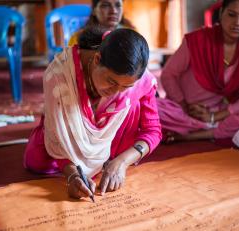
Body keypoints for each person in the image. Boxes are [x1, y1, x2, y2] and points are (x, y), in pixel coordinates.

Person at [24, 27, 161, 200]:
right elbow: (58, 141)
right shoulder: (61, 76)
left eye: (126, 87)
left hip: (115, 146)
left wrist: (121, 162)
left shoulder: (140, 79)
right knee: (38, 160)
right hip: (65, 139)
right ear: (97, 59)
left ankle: (106, 159)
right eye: (111, 81)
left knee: (132, 105)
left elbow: (153, 130)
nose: (116, 92)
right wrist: (73, 175)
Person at [157, 0, 239, 143]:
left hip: (215, 113)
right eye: (231, 15)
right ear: (221, 13)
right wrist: (184, 106)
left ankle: (192, 135)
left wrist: (213, 116)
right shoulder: (197, 40)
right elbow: (169, 75)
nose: (237, 22)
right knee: (151, 109)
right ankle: (206, 129)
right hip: (180, 110)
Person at [68, 0, 134, 46]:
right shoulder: (77, 38)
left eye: (118, 5)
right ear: (94, 10)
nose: (114, 11)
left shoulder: (132, 35)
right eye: (105, 5)